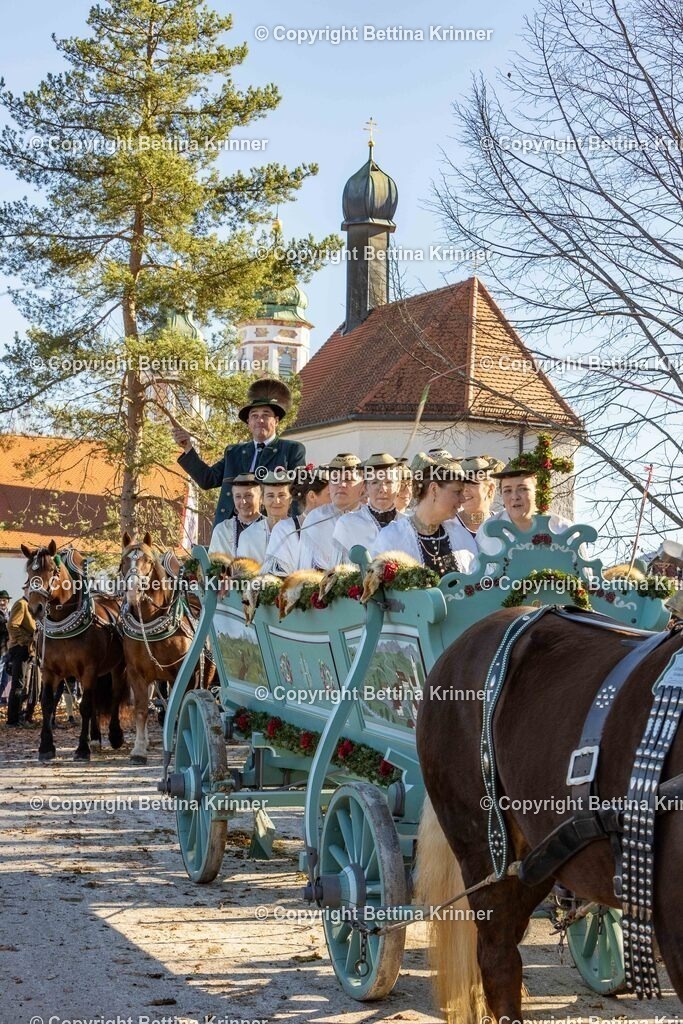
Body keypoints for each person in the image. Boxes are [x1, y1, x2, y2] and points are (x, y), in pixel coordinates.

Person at [172, 378, 306, 527]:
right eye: (254, 416)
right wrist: (188, 448)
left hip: (270, 526)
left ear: (276, 420)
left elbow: (299, 492)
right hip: (231, 526)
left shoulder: (291, 450)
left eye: (265, 415)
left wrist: (293, 528)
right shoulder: (234, 452)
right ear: (248, 422)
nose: (260, 420)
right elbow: (207, 479)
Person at [370, 453, 476, 577]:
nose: (463, 499)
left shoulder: (461, 536)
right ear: (434, 489)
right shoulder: (392, 538)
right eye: (457, 492)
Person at [476, 461, 574, 557]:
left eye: (522, 489)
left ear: (537, 491)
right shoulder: (488, 532)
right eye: (508, 490)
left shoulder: (564, 531)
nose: (515, 497)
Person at [298, 454, 365, 570]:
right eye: (335, 479)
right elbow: (305, 568)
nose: (341, 485)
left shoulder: (370, 518)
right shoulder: (316, 519)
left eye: (348, 479)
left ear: (363, 486)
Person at [333, 453, 402, 561]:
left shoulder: (408, 524)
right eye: (375, 482)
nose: (382, 489)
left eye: (389, 482)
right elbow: (337, 567)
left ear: (398, 486)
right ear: (365, 487)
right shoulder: (348, 523)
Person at [262, 468, 330, 576]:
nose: (335, 500)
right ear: (312, 496)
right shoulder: (285, 529)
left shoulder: (336, 527)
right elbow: (276, 578)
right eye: (329, 495)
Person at [447, 455, 504, 556]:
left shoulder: (503, 524)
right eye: (461, 483)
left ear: (490, 488)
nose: (465, 489)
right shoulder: (448, 526)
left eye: (472, 483)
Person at [237, 472, 293, 564]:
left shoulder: (299, 533)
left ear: (290, 499)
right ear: (262, 499)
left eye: (281, 495)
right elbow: (242, 570)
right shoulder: (248, 536)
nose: (276, 501)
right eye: (270, 495)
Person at [208, 475, 263, 559]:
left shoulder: (271, 528)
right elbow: (214, 563)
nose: (243, 501)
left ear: (261, 498)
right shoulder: (222, 530)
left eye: (248, 495)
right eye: (238, 496)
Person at [6, 585, 36, 727]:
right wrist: (26, 641)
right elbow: (12, 626)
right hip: (19, 648)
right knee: (18, 685)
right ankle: (12, 720)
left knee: (25, 686)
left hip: (28, 650)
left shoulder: (32, 606)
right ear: (25, 590)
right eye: (31, 588)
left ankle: (20, 716)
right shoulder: (21, 604)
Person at [0, 589, 10, 707]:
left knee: (5, 679)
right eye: (0, 600)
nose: (2, 602)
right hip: (1, 649)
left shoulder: (10, 613)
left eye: (4, 600)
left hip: (8, 650)